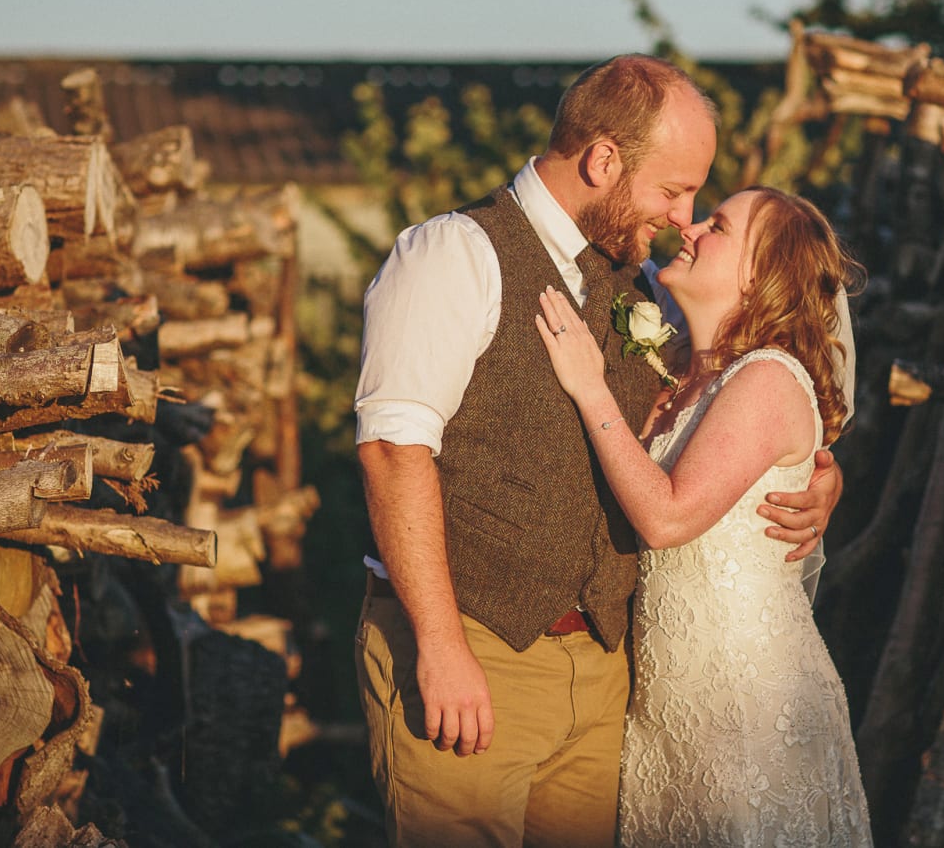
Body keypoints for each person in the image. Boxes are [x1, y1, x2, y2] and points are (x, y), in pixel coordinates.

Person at [353, 54, 844, 847]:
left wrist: (816, 474)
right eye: (674, 190)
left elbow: (744, 395)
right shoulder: (453, 254)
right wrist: (441, 647)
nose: (684, 217)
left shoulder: (648, 283)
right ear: (604, 161)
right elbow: (391, 450)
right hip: (477, 649)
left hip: (610, 672)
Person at [535, 185, 872, 846]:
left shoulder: (768, 378)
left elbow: (666, 518)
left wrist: (589, 387)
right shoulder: (680, 376)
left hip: (748, 704)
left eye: (716, 226)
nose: (687, 229)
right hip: (668, 707)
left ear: (759, 276)